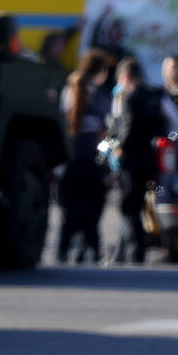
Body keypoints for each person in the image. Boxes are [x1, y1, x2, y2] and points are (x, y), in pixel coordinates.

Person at [107, 58, 169, 265]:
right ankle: (123, 252)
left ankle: (135, 251)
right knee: (138, 206)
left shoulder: (131, 98)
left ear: (125, 77)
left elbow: (129, 127)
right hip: (148, 159)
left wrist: (119, 148)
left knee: (128, 208)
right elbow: (162, 124)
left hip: (132, 161)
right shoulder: (153, 95)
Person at [57, 50, 112, 264]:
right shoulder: (99, 96)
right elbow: (107, 134)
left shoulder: (68, 91)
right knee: (92, 212)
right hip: (91, 163)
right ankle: (91, 251)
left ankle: (63, 251)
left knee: (69, 213)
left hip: (69, 163)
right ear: (100, 71)